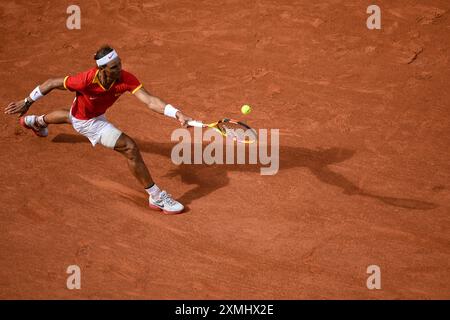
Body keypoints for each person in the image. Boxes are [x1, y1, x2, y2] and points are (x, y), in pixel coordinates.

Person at [4, 45, 192, 214]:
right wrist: (27, 101)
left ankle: (37, 122)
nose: (119, 70)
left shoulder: (125, 77)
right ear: (101, 69)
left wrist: (177, 113)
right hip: (88, 122)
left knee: (70, 115)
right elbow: (52, 82)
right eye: (114, 67)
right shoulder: (84, 80)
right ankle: (156, 197)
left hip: (87, 113)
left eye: (119, 64)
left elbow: (150, 101)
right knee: (129, 148)